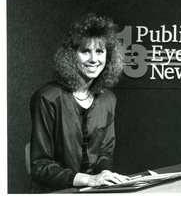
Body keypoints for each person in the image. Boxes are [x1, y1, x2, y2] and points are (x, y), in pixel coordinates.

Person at [29, 13, 128, 193]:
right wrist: (88, 179)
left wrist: (104, 174)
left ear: (108, 56)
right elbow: (40, 166)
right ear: (71, 56)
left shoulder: (108, 99)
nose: (93, 59)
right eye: (85, 51)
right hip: (56, 191)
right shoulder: (47, 98)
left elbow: (105, 152)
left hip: (94, 191)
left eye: (99, 51)